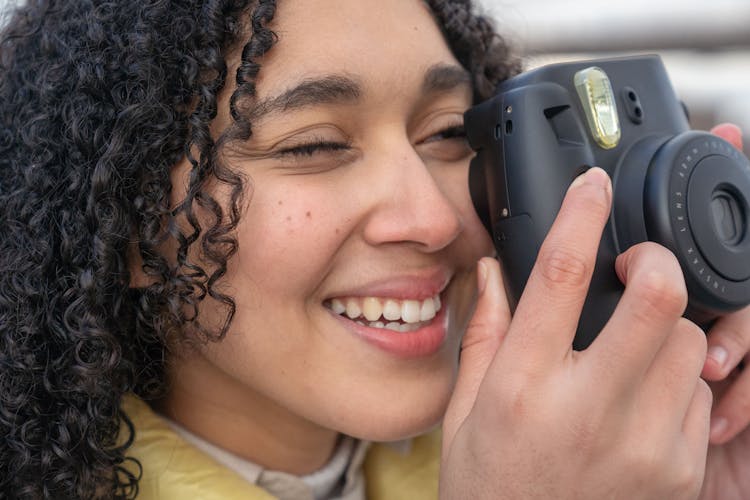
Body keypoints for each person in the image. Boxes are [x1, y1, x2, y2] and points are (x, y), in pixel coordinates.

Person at [1, 0, 749, 498]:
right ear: (130, 225)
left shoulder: (565, 461)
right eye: (315, 145)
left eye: (449, 134)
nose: (432, 217)